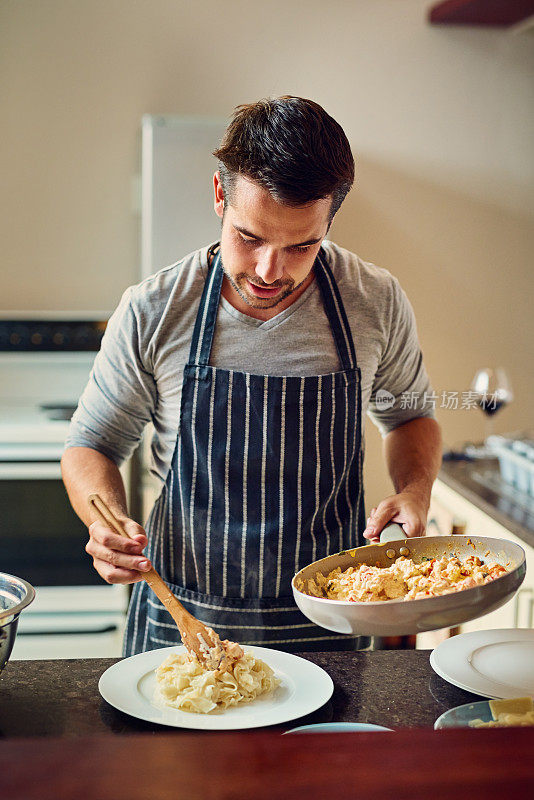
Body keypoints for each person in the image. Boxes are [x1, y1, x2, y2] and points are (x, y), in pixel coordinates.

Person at [61, 96, 442, 655]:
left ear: (329, 220)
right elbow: (90, 444)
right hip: (184, 614)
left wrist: (415, 490)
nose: (269, 271)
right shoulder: (154, 308)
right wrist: (107, 523)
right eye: (250, 237)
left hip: (329, 617)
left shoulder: (373, 301)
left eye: (301, 246)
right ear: (220, 196)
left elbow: (409, 416)